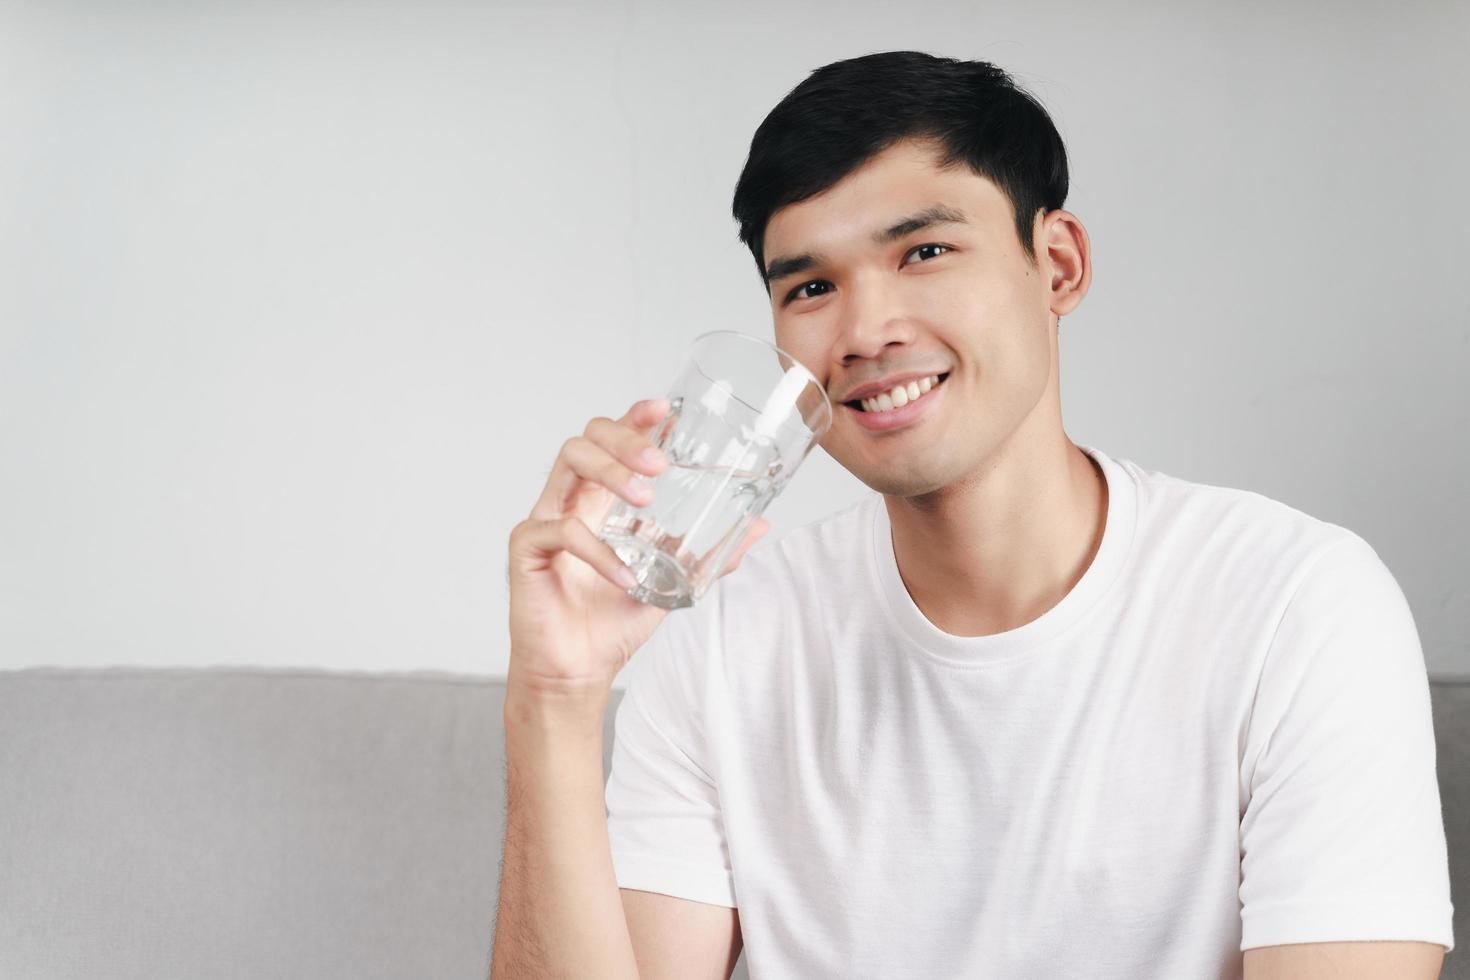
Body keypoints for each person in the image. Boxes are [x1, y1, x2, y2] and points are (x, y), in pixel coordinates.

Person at [491, 51, 1453, 979]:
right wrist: (556, 697)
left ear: (1059, 266)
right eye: (813, 287)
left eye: (926, 252)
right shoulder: (728, 632)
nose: (867, 331)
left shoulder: (1298, 605)